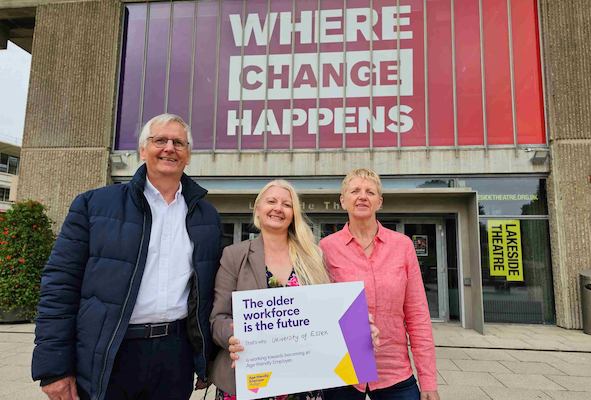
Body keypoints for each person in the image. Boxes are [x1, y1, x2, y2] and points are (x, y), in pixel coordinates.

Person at [31, 114, 222, 400]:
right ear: (143, 150)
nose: (169, 148)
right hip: (110, 352)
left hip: (175, 356)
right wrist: (54, 367)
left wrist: (207, 358)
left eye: (179, 143)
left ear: (188, 155)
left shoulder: (207, 216)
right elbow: (60, 285)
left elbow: (209, 293)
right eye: (160, 140)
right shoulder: (94, 205)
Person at [320, 168, 439, 400]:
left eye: (370, 192)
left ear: (380, 202)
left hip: (394, 372)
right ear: (343, 201)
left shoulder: (402, 246)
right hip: (343, 373)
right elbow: (320, 315)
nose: (362, 196)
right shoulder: (326, 249)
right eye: (355, 191)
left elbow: (418, 316)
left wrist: (428, 381)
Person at [209, 180, 332, 400]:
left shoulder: (313, 257)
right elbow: (218, 317)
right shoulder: (234, 255)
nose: (278, 208)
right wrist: (232, 336)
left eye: (286, 204)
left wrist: (357, 327)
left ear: (293, 213)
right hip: (248, 379)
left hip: (301, 381)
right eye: (271, 201)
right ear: (258, 209)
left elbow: (327, 317)